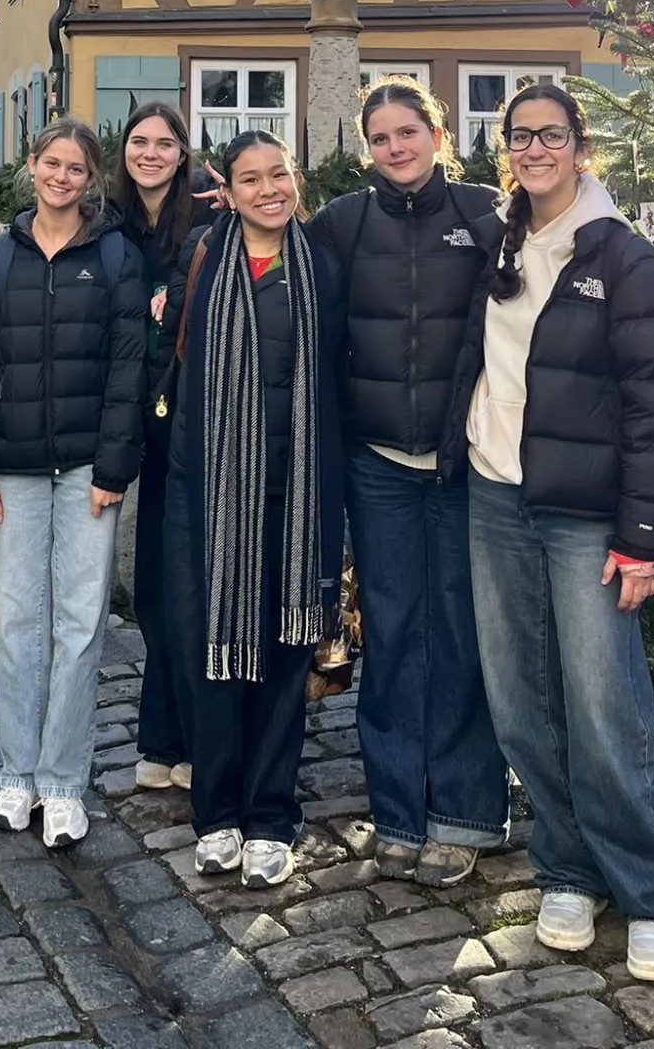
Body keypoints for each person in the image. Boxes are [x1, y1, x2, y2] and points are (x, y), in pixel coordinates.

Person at [461, 83, 654, 984]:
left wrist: (643, 536)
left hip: (585, 513)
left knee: (606, 705)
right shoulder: (499, 237)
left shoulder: (624, 257)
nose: (533, 149)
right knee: (521, 698)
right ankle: (568, 869)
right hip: (494, 494)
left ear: (579, 145)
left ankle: (650, 894)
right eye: (519, 136)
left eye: (549, 135)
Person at [309, 81, 509, 885]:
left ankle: (464, 813)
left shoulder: (487, 215)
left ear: (438, 131)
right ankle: (396, 809)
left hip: (465, 464)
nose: (396, 148)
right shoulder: (342, 223)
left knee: (461, 632)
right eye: (381, 137)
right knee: (391, 634)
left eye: (408, 132)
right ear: (368, 149)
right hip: (379, 463)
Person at [0, 118, 147, 851]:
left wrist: (115, 466)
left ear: (90, 178)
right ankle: (16, 772)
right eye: (51, 164)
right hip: (15, 468)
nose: (62, 177)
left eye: (76, 168)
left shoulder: (115, 256)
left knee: (80, 623)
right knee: (19, 622)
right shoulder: (0, 258)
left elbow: (130, 369)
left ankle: (64, 780)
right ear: (31, 166)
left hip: (88, 471)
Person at [165, 131, 343, 889]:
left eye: (279, 174)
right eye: (250, 178)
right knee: (211, 654)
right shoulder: (201, 261)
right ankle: (217, 814)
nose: (268, 188)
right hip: (207, 491)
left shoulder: (323, 267)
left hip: (295, 490)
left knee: (281, 654)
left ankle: (271, 815)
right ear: (227, 192)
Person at [110, 100, 202, 796]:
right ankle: (160, 731)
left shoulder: (205, 220)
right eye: (139, 142)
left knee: (183, 583)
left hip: (186, 420)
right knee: (148, 589)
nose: (150, 153)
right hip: (120, 416)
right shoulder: (107, 223)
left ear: (181, 152)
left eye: (163, 143)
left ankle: (181, 737)